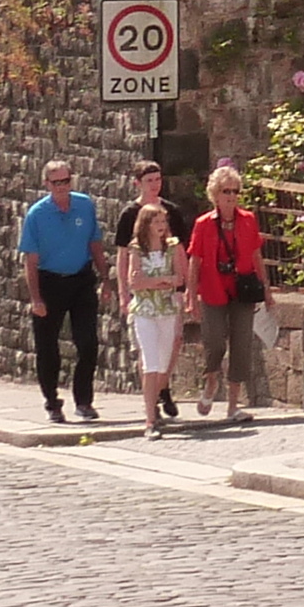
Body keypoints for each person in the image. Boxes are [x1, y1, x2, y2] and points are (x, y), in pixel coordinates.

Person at [19, 159, 105, 425]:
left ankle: (84, 401)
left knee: (88, 344)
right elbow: (30, 261)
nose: (62, 187)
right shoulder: (36, 214)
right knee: (47, 348)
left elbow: (95, 244)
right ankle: (52, 402)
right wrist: (36, 298)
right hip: (49, 282)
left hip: (80, 279)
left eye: (66, 181)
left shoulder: (84, 205)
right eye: (56, 182)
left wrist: (107, 280)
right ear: (47, 184)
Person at [184, 164, 269, 425]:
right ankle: (211, 381)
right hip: (212, 289)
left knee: (241, 345)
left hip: (241, 290)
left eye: (234, 191)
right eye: (225, 191)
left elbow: (256, 254)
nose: (231, 196)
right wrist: (190, 294)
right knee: (215, 342)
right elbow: (195, 261)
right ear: (215, 194)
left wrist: (266, 288)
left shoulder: (248, 220)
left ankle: (233, 406)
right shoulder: (204, 224)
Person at [115, 159, 192, 420]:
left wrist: (186, 287)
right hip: (144, 299)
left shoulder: (171, 212)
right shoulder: (129, 214)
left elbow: (181, 254)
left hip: (171, 293)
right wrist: (123, 293)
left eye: (158, 180)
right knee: (146, 350)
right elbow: (124, 256)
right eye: (149, 181)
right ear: (138, 183)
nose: (155, 185)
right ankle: (153, 402)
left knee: (173, 342)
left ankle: (162, 388)